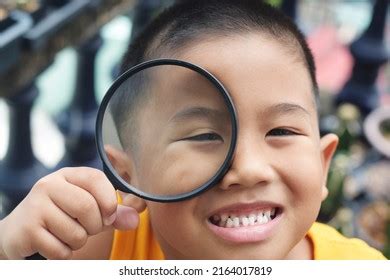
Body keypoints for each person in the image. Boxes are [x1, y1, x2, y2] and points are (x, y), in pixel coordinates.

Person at [0, 0, 386, 260]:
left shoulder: (359, 266)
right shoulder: (103, 245)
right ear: (129, 177)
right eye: (203, 135)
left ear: (323, 165)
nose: (249, 168)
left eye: (281, 131)